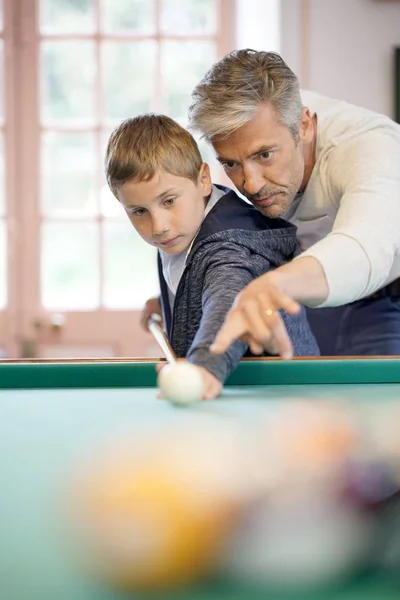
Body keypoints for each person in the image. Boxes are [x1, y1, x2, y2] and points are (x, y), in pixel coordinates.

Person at [188, 48, 400, 358]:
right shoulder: (267, 117)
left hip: (387, 299)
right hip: (299, 293)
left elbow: (365, 246)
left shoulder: (372, 147)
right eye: (232, 164)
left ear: (305, 127)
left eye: (265, 155)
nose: (252, 184)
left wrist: (275, 285)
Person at [105, 114, 319, 398]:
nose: (159, 226)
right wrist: (169, 302)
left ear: (203, 180)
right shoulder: (187, 225)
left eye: (168, 201)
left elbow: (227, 300)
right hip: (243, 396)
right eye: (139, 211)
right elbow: (200, 281)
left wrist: (205, 366)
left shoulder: (228, 248)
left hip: (282, 399)